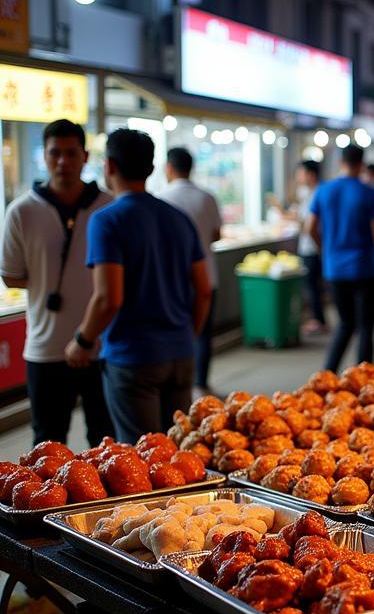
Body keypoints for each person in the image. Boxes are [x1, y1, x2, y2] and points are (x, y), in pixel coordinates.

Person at [66, 128, 211, 441]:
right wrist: (188, 335)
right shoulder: (178, 218)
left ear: (110, 166)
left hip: (133, 358)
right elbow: (203, 289)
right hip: (181, 354)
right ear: (151, 168)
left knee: (140, 460)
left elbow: (108, 298)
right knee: (176, 453)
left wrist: (83, 339)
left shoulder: (107, 221)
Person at [1, 119, 115, 445]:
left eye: (70, 153)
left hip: (101, 346)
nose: (62, 161)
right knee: (47, 443)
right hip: (45, 348)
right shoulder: (21, 211)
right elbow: (10, 275)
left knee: (106, 444)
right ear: (45, 156)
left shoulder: (108, 206)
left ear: (85, 156)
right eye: (55, 153)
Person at [307, 144, 374, 371]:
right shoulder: (369, 192)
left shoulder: (324, 190)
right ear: (361, 164)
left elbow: (309, 228)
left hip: (335, 269)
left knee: (345, 324)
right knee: (366, 327)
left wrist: (325, 251)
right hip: (366, 269)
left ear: (340, 162)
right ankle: (363, 383)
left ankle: (326, 377)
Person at [158, 147, 223, 392]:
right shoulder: (207, 197)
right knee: (203, 332)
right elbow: (216, 234)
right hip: (206, 275)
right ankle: (200, 381)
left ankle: (174, 381)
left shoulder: (161, 197)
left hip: (171, 281)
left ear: (169, 168)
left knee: (174, 330)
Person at [292, 160, 327, 334]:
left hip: (312, 248)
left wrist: (321, 247)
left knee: (312, 286)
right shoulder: (310, 193)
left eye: (301, 173)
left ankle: (318, 320)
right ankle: (318, 318)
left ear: (310, 174)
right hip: (312, 246)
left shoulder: (318, 193)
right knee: (313, 285)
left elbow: (310, 226)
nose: (298, 177)